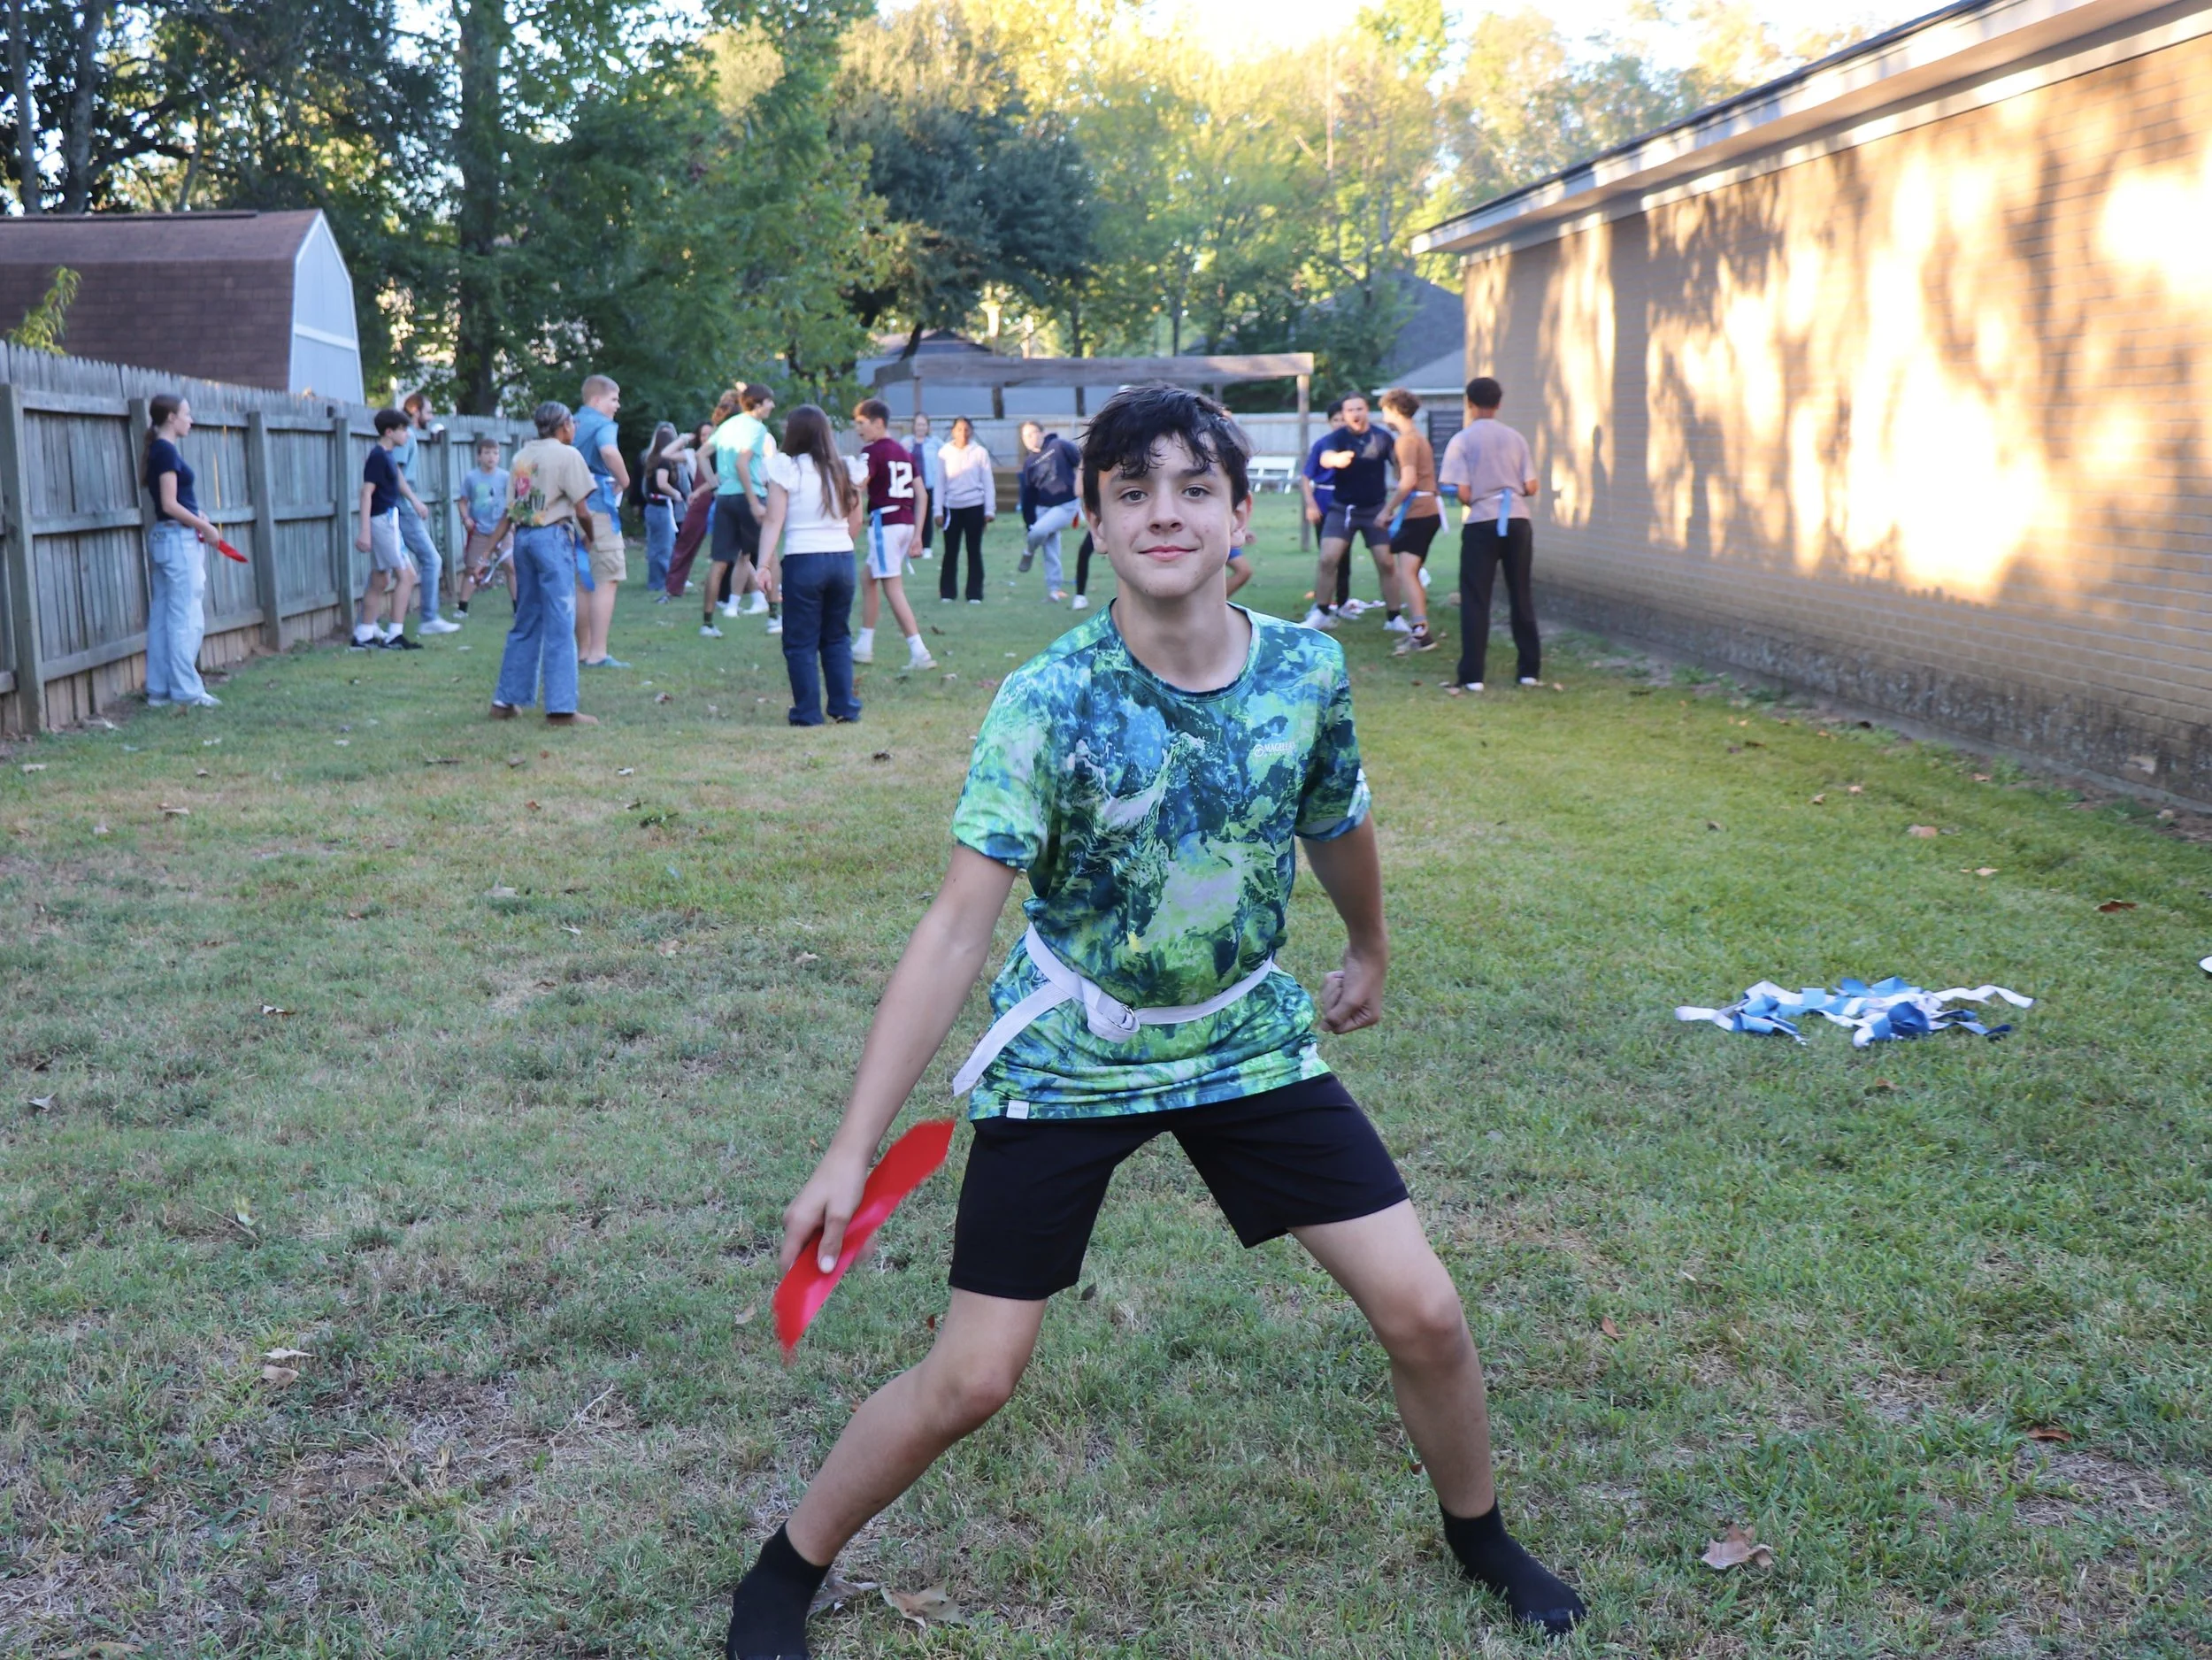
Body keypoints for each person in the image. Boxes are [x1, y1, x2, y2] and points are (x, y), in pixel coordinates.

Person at [719, 384, 1586, 1659]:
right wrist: (851, 1146)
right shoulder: (1049, 697)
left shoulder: (1304, 671)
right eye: (1133, 491)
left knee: (1427, 1313)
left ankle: (1481, 1535)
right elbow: (959, 926)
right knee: (974, 1381)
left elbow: (1335, 824)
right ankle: (783, 1573)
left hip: (1244, 1040)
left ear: (1245, 514)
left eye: (1194, 488)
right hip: (1077, 1050)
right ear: (1093, 518)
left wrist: (1368, 945)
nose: (1164, 513)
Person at [754, 403, 865, 727]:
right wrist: (844, 544)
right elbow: (855, 517)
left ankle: (807, 712)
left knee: (800, 641)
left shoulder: (787, 469)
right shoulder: (844, 468)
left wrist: (763, 565)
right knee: (837, 637)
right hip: (842, 559)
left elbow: (774, 521)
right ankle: (845, 706)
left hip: (804, 560)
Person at [492, 400, 599, 727]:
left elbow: (511, 511)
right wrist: (590, 537)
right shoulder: (568, 455)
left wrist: (488, 551)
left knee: (526, 620)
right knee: (560, 622)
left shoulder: (522, 456)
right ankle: (562, 709)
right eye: (572, 422)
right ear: (563, 424)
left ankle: (505, 701)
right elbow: (582, 509)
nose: (575, 428)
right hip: (552, 539)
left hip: (523, 540)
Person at [1436, 376, 1540, 692]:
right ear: (1499, 403)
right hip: (1518, 520)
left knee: (1476, 597)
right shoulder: (1516, 438)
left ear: (1469, 403)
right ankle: (1529, 671)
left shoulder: (1462, 440)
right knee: (1521, 593)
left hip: (1482, 521)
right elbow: (1531, 486)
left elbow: (1464, 493)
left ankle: (1473, 676)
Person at [139, 393, 222, 708]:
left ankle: (159, 691)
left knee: (163, 616)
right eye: (187, 413)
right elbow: (170, 504)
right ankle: (187, 691)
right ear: (171, 418)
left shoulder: (161, 451)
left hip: (166, 539)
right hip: (177, 542)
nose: (191, 419)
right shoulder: (166, 452)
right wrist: (207, 528)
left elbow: (170, 504)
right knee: (185, 617)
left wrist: (196, 515)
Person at [1306, 394, 1401, 633]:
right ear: (1345, 414)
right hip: (1342, 509)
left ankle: (1394, 618)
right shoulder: (1337, 438)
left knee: (1386, 562)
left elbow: (1398, 465)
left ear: (1366, 410)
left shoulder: (1382, 437)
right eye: (1350, 410)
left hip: (1375, 509)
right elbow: (1325, 458)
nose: (1355, 414)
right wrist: (1335, 460)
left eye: (1359, 409)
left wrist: (1400, 491)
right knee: (1328, 558)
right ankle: (1322, 612)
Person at [852, 398, 934, 670]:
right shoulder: (904, 451)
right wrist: (918, 534)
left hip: (885, 524)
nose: (858, 430)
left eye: (862, 423)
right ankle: (864, 644)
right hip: (904, 522)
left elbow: (858, 483)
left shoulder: (871, 451)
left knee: (892, 587)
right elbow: (921, 494)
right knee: (868, 578)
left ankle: (919, 651)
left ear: (878, 423)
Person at [569, 374, 631, 670]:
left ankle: (583, 651)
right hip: (596, 508)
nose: (617, 405)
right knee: (607, 577)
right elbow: (608, 450)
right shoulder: (603, 425)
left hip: (568, 508)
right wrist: (624, 479)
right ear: (597, 400)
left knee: (583, 580)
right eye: (614, 399)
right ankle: (598, 653)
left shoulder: (569, 423)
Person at [704, 383, 775, 637]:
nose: (772, 406)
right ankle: (775, 617)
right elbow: (742, 464)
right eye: (769, 402)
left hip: (724, 497)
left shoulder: (727, 425)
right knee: (769, 553)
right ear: (757, 404)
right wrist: (754, 502)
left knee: (722, 561)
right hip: (749, 494)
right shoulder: (757, 428)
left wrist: (714, 484)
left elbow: (701, 454)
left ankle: (708, 622)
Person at [352, 408, 423, 652]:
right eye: (403, 430)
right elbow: (366, 493)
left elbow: (399, 479)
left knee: (381, 578)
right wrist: (364, 531)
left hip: (388, 519)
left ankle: (363, 634)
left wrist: (415, 501)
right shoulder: (378, 457)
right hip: (382, 521)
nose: (407, 434)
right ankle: (394, 635)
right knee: (407, 576)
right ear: (389, 432)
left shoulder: (389, 456)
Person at [1379, 389, 1442, 654]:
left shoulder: (1405, 441)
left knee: (1407, 573)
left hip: (1419, 512)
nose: (1382, 415)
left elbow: (1408, 483)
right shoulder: (1419, 438)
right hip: (1425, 511)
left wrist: (1386, 510)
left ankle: (1421, 634)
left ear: (1394, 410)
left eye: (1383, 409)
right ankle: (1420, 631)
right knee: (1410, 572)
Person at [393, 392, 460, 635]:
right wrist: (415, 501)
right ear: (415, 412)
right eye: (428, 412)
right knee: (432, 560)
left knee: (382, 570)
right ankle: (429, 618)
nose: (431, 416)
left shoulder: (410, 436)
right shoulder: (407, 436)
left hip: (398, 505)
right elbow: (396, 473)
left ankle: (365, 626)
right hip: (403, 505)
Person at [1016, 419, 1080, 601]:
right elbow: (1028, 494)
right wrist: (1028, 521)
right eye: (1025, 436)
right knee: (1050, 548)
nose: (1029, 439)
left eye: (1032, 433)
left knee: (1038, 532)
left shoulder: (1059, 446)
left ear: (1042, 433)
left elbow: (1081, 462)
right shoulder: (1029, 463)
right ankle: (1054, 589)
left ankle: (1028, 551)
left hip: (1065, 504)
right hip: (1042, 508)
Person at [1300, 398, 1353, 613]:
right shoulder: (1322, 444)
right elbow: (1305, 477)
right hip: (1324, 501)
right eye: (1336, 420)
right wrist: (1311, 504)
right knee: (1327, 556)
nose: (1340, 423)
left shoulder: (1353, 445)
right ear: (1330, 422)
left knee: (1345, 556)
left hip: (1347, 504)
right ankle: (1324, 603)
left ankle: (1343, 602)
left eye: (1343, 419)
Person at [934, 415, 995, 604]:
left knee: (974, 551)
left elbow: (988, 481)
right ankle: (947, 593)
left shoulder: (980, 452)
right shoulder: (944, 452)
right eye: (959, 429)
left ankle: (974, 594)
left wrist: (989, 510)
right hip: (951, 507)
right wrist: (937, 511)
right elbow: (939, 483)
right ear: (953, 431)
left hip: (975, 506)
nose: (963, 433)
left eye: (966, 429)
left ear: (972, 431)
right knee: (950, 551)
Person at [668, 412, 726, 606]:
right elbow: (665, 454)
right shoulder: (692, 455)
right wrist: (684, 439)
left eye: (711, 435)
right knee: (685, 542)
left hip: (718, 500)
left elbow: (717, 478)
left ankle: (728, 592)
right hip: (699, 504)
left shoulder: (723, 455)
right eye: (703, 435)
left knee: (725, 548)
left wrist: (700, 490)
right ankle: (674, 586)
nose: (707, 439)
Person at [455, 437, 515, 617]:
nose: (491, 457)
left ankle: (518, 608)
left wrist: (513, 524)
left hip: (502, 531)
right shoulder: (472, 477)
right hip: (480, 531)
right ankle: (462, 608)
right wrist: (466, 518)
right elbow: (463, 502)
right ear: (479, 457)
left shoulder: (505, 477)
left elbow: (513, 503)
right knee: (472, 569)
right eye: (487, 453)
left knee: (511, 567)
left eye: (495, 453)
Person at [641, 420, 683, 601]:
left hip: (653, 507)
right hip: (660, 508)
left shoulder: (651, 458)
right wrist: (676, 493)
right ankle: (659, 582)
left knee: (656, 546)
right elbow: (662, 483)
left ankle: (659, 580)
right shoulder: (664, 461)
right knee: (663, 547)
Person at [910, 411, 944, 560]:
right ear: (913, 426)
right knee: (911, 518)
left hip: (929, 486)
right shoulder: (907, 442)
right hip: (910, 487)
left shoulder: (935, 443)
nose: (921, 427)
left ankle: (927, 547)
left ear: (928, 427)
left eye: (924, 424)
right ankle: (912, 547)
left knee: (927, 517)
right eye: (918, 424)